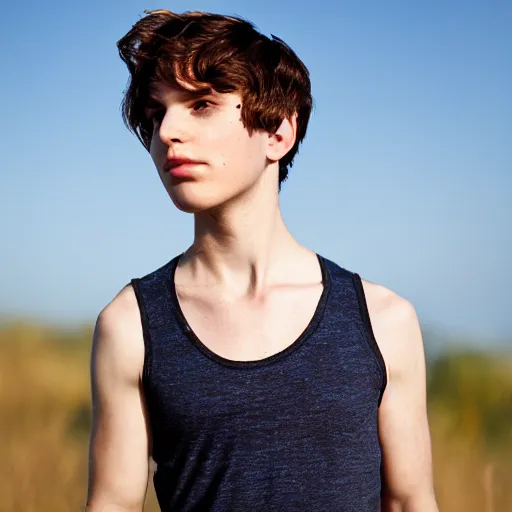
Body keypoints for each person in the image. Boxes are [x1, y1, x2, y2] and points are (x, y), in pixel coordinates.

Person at [86, 9, 438, 512]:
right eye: (158, 112)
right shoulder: (131, 324)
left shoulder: (384, 321)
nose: (167, 132)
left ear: (278, 132)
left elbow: (409, 502)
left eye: (202, 104)